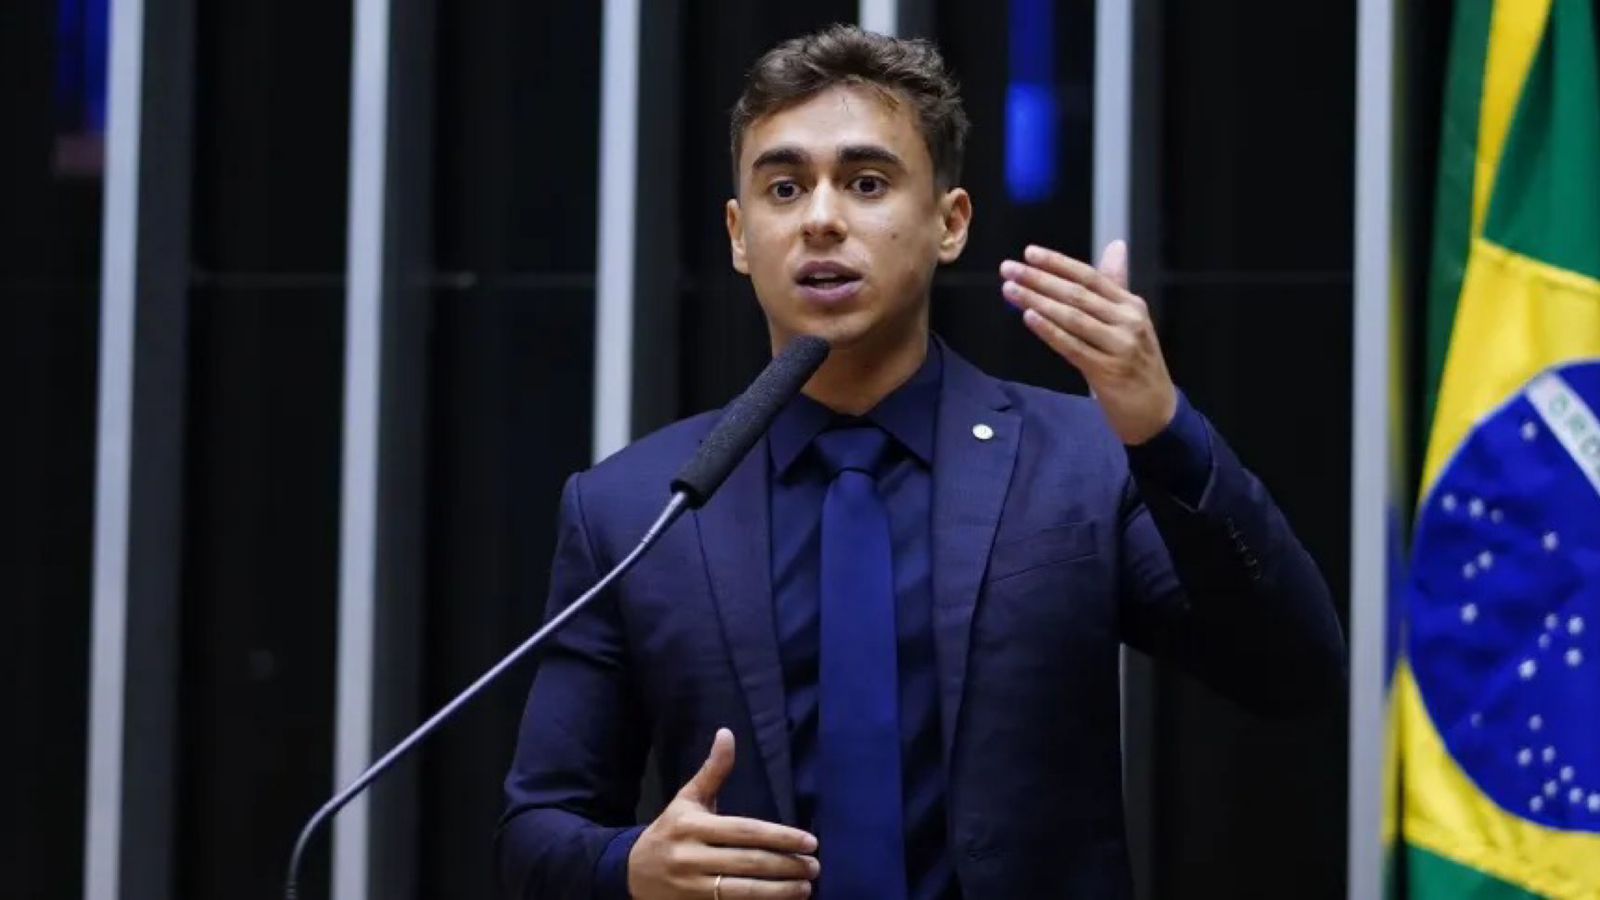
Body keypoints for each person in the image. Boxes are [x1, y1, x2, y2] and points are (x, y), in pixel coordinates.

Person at [497, 24, 1344, 900]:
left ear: (950, 222)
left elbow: (1292, 672)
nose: (821, 219)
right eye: (785, 188)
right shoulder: (637, 508)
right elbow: (536, 832)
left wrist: (1162, 429)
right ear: (740, 235)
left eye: (867, 183)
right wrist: (631, 868)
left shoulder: (1080, 465)